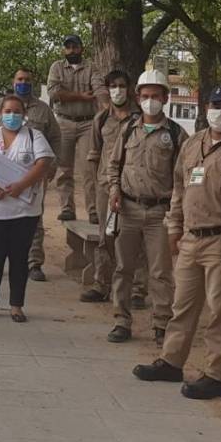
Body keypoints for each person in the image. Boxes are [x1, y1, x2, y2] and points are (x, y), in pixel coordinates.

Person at [133, 85, 221, 400]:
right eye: (216, 105)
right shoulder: (194, 144)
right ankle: (171, 361)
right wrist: (174, 227)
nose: (220, 112)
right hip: (191, 238)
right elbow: (180, 187)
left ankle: (216, 375)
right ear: (206, 107)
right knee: (182, 305)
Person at [106, 70, 187, 346]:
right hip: (127, 208)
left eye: (155, 96)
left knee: (160, 272)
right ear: (137, 97)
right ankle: (121, 320)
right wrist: (114, 191)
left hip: (159, 213)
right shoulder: (128, 129)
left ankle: (161, 323)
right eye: (145, 96)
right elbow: (113, 165)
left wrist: (177, 213)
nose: (150, 101)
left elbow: (183, 177)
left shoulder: (176, 134)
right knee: (123, 268)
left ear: (165, 98)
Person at [0, 94, 55, 322]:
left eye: (17, 112)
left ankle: (16, 306)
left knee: (19, 258)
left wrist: (21, 185)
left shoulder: (34, 136)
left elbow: (43, 163)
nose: (12, 116)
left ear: (24, 114)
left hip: (23, 209)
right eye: (7, 111)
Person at [0, 68, 61, 281]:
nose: (23, 82)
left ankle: (34, 262)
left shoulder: (43, 110)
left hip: (32, 176)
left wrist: (52, 166)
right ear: (13, 81)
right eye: (20, 79)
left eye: (27, 80)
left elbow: (55, 137)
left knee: (34, 218)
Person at [81, 70, 149, 305]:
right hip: (105, 187)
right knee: (105, 236)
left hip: (133, 188)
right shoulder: (101, 119)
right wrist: (97, 187)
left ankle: (137, 290)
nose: (117, 90)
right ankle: (102, 284)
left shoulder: (140, 118)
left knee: (136, 239)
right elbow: (93, 155)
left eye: (121, 85)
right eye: (113, 86)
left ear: (129, 89)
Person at [47, 34, 106, 224]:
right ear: (64, 50)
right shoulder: (56, 67)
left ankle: (94, 210)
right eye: (68, 47)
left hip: (88, 123)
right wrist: (81, 96)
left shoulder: (92, 67)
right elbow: (54, 93)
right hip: (63, 122)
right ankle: (67, 208)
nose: (72, 50)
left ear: (82, 48)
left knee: (90, 168)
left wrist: (106, 105)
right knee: (64, 169)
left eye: (75, 46)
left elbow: (99, 89)